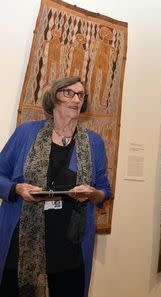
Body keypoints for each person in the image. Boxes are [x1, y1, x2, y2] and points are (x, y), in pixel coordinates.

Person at [0, 76, 112, 297]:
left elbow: (104, 191)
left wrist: (91, 193)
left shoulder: (94, 142)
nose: (76, 99)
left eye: (81, 95)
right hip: (23, 243)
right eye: (69, 93)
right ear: (54, 97)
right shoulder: (26, 133)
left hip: (69, 246)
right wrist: (17, 189)